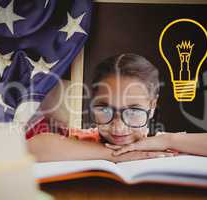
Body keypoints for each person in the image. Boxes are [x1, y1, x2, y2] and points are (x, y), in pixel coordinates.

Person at [26, 53, 176, 162]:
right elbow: (34, 146)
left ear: (152, 106)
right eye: (104, 109)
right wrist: (116, 155)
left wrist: (169, 140)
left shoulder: (165, 145)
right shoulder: (81, 140)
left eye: (133, 111)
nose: (118, 128)